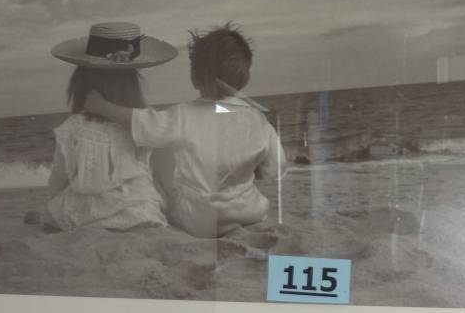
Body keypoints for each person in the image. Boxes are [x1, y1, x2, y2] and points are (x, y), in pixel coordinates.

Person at [84, 23, 286, 239]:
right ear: (244, 76)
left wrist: (101, 106)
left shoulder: (183, 116)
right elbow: (275, 169)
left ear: (195, 76)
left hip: (199, 220)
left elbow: (139, 120)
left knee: (158, 146)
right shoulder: (258, 120)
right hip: (250, 213)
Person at [44, 21, 178, 232]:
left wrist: (51, 206)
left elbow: (59, 180)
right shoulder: (140, 122)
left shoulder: (73, 127)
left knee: (57, 210)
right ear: (133, 83)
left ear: (80, 83)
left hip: (87, 213)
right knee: (146, 193)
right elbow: (160, 171)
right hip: (137, 208)